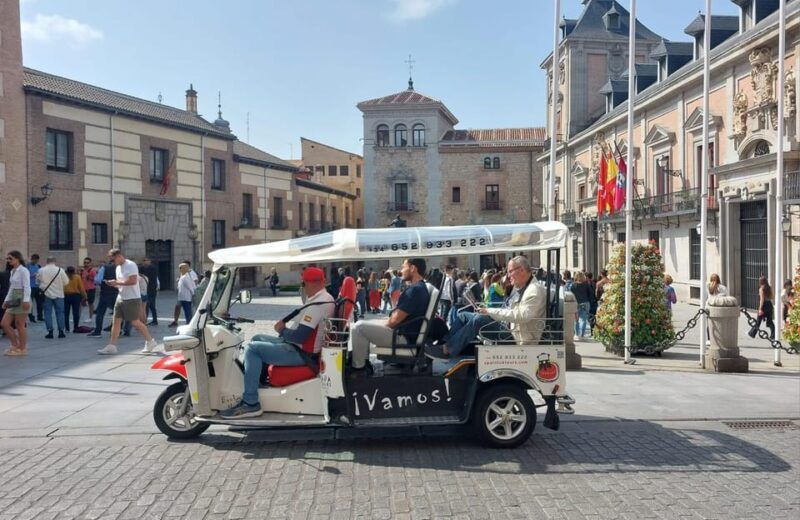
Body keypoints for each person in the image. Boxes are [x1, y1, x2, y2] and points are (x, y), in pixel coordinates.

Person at [220, 267, 334, 418]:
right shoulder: (323, 298)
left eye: (303, 285)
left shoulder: (317, 304)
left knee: (252, 349)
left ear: (309, 283)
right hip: (301, 348)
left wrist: (282, 330)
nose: (303, 288)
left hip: (301, 353)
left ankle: (251, 403)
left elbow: (299, 336)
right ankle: (258, 385)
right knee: (257, 338)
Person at [426, 256, 546, 359]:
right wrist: (487, 309)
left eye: (510, 271)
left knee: (478, 320)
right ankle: (446, 343)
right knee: (463, 316)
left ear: (521, 270)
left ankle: (448, 349)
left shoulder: (534, 290)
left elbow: (521, 316)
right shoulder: (522, 287)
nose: (508, 275)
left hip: (517, 336)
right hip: (508, 326)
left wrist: (489, 311)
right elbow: (510, 309)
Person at [349, 258, 431, 372]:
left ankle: (359, 368)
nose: (401, 270)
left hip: (402, 338)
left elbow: (393, 322)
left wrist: (379, 324)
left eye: (403, 267)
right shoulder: (419, 288)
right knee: (363, 325)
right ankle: (364, 362)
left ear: (413, 268)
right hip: (404, 333)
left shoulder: (415, 290)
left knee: (359, 328)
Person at [97, 249, 159, 355]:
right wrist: (113, 284)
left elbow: (133, 281)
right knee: (116, 322)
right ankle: (112, 346)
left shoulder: (131, 265)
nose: (112, 263)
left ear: (119, 256)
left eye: (113, 260)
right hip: (121, 297)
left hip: (132, 298)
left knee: (135, 322)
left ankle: (150, 341)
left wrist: (116, 282)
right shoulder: (118, 268)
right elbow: (122, 283)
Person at [2, 251, 31, 356]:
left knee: (19, 324)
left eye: (10, 258)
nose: (8, 260)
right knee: (4, 324)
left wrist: (26, 300)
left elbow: (27, 286)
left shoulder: (24, 270)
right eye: (7, 259)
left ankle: (22, 348)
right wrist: (6, 301)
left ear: (17, 258)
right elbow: (11, 288)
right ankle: (15, 345)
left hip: (22, 296)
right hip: (13, 297)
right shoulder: (12, 271)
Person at [37, 257, 69, 339]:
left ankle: (50, 331)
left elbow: (37, 282)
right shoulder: (60, 270)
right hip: (59, 294)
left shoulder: (41, 270)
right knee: (60, 313)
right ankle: (61, 332)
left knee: (47, 313)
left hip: (46, 294)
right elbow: (66, 282)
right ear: (55, 261)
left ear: (46, 261)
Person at [88, 260, 119, 337]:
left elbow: (97, 280)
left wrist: (104, 282)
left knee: (100, 313)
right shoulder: (121, 268)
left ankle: (98, 331)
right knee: (117, 312)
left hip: (105, 292)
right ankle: (117, 329)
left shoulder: (105, 268)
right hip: (117, 293)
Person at [170, 260, 198, 327]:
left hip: (186, 297)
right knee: (185, 310)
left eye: (181, 268)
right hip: (182, 297)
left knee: (187, 310)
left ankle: (189, 323)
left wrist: (193, 294)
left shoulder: (186, 276)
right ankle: (186, 322)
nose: (179, 270)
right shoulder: (183, 276)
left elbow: (191, 286)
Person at [63, 266, 87, 333]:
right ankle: (75, 327)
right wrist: (85, 296)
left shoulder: (64, 277)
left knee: (66, 313)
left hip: (66, 296)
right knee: (76, 313)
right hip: (76, 296)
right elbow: (81, 288)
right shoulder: (77, 277)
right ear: (74, 271)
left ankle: (67, 328)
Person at [571, 271, 593, 339]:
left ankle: (577, 334)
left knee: (576, 319)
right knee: (583, 319)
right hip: (585, 303)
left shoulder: (573, 285)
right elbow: (591, 293)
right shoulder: (586, 284)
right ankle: (582, 335)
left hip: (576, 304)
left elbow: (571, 294)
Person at [140, 257, 160, 325]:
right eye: (144, 260)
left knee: (151, 305)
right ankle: (145, 320)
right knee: (146, 306)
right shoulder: (142, 268)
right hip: (145, 289)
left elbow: (150, 277)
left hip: (151, 289)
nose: (144, 262)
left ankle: (154, 320)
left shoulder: (153, 268)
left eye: (146, 260)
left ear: (149, 261)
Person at [80, 258, 97, 323]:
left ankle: (90, 318)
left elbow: (95, 280)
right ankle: (78, 317)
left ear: (90, 263)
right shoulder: (82, 270)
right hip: (83, 289)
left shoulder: (92, 270)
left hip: (91, 289)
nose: (86, 264)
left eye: (87, 263)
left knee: (90, 303)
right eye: (85, 262)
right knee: (80, 304)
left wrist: (89, 277)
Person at [28, 254, 42, 323]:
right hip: (30, 287)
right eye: (35, 260)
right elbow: (26, 276)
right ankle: (31, 317)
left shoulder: (38, 266)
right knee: (30, 303)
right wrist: (33, 275)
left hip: (37, 287)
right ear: (32, 259)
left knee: (40, 302)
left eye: (37, 260)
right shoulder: (28, 266)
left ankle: (40, 316)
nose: (36, 261)